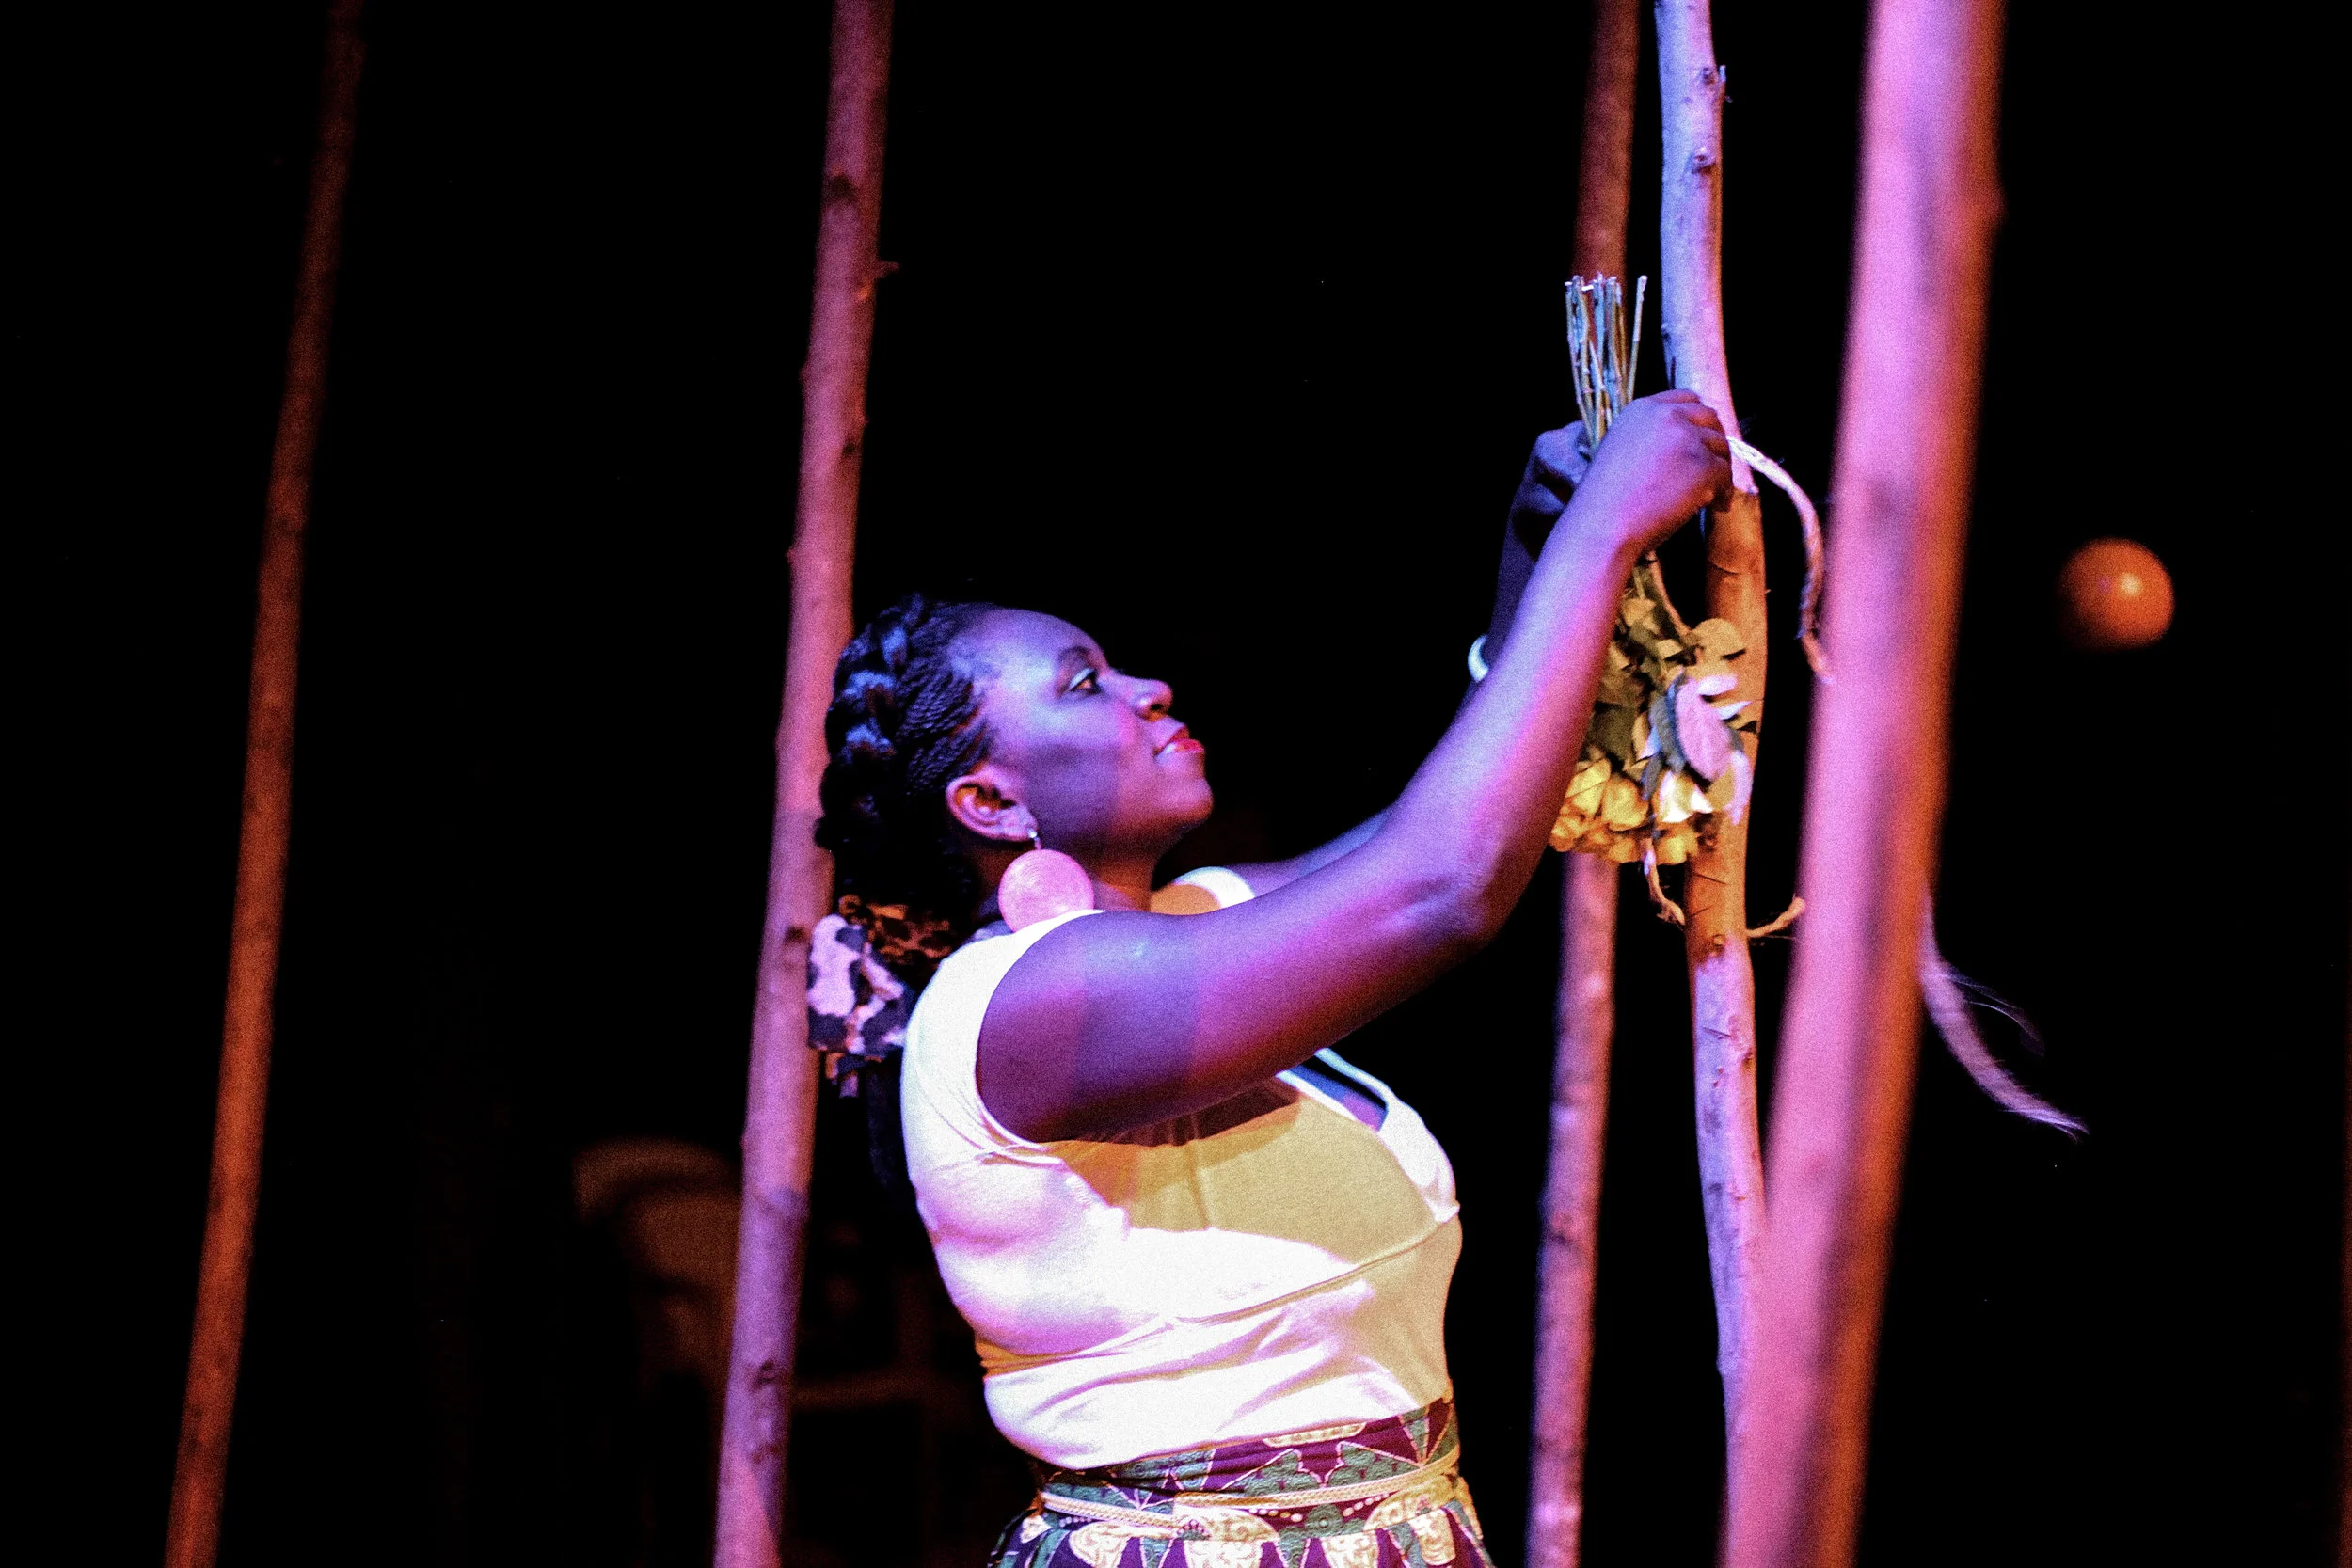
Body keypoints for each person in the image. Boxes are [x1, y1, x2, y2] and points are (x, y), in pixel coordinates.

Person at [809, 392, 1730, 1566]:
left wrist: (1534, 543)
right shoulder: (1019, 1008)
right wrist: (1599, 538)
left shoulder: (1203, 918)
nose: (1148, 687)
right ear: (988, 799)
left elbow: (1460, 813)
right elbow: (1440, 885)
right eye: (1084, 684)